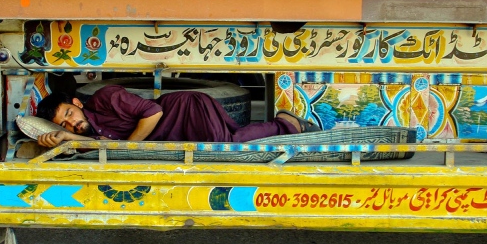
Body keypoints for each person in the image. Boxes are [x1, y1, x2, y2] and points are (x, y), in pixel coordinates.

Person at [35, 84, 321, 147]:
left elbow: (152, 111)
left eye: (70, 114)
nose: (71, 122)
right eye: (64, 123)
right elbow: (96, 143)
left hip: (185, 108)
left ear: (77, 102)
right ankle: (283, 126)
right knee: (232, 137)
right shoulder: (89, 130)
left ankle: (286, 123)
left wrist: (132, 146)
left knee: (224, 145)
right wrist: (66, 136)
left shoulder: (104, 98)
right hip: (179, 129)